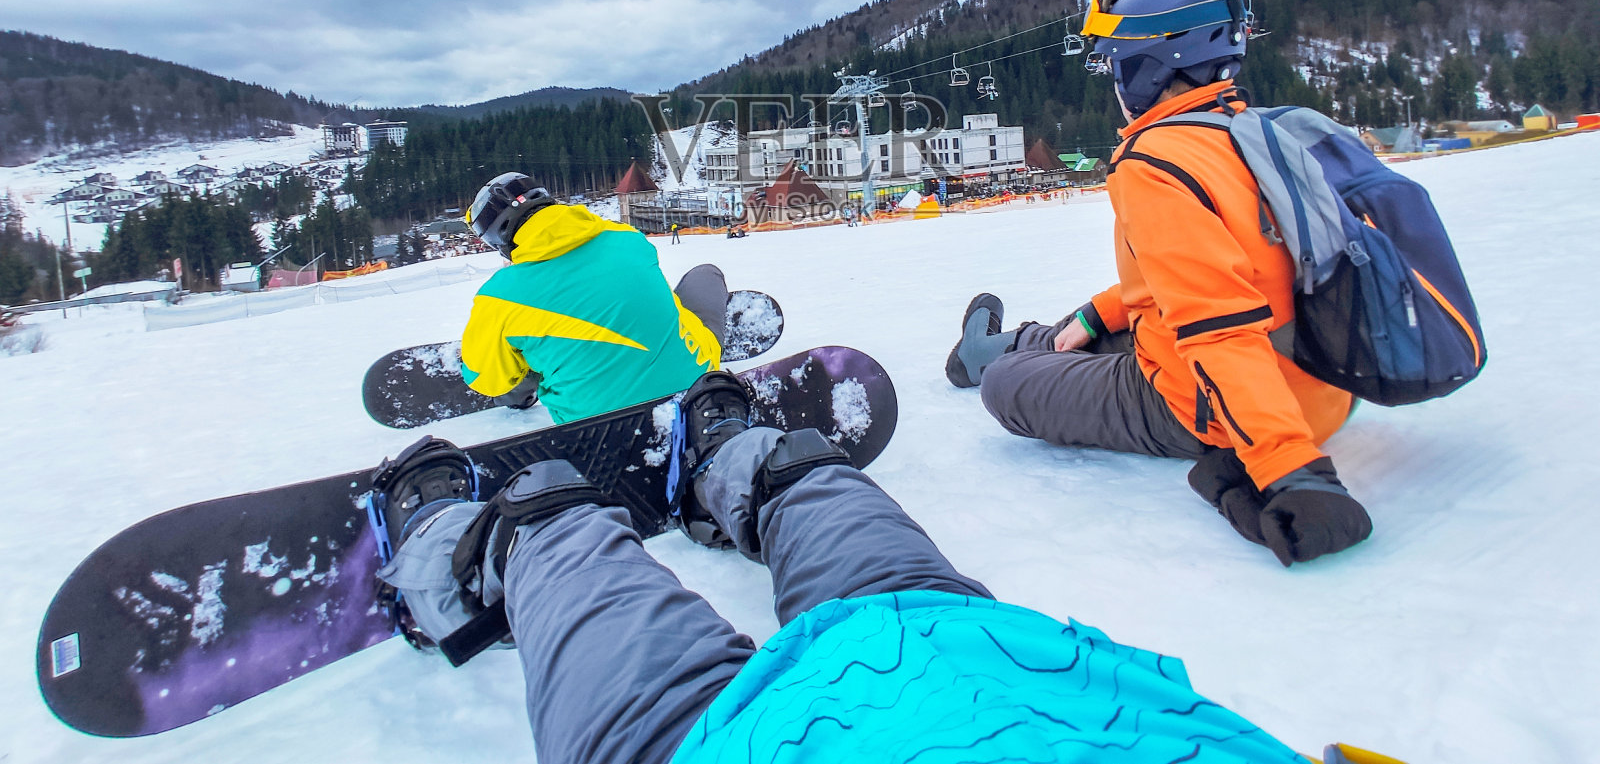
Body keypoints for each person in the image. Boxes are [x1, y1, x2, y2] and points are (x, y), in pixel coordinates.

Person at [368, 370, 1394, 764]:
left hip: (973, 674)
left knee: (598, 554)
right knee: (789, 503)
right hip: (971, 668)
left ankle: (533, 531)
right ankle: (687, 481)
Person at [946, 0, 1372, 568]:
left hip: (1216, 409)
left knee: (1008, 385)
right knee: (1092, 321)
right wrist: (1101, 312)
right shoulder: (1257, 133)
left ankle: (993, 362)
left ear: (1146, 70)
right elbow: (1226, 269)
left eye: (1118, 65)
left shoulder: (1160, 163)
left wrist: (1291, 470)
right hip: (1323, 386)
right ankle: (992, 345)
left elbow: (1217, 323)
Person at [460, 173, 725, 423]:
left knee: (528, 349)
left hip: (593, 430)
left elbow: (486, 381)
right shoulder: (628, 237)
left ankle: (522, 387)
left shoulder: (498, 298)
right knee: (705, 275)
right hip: (697, 392)